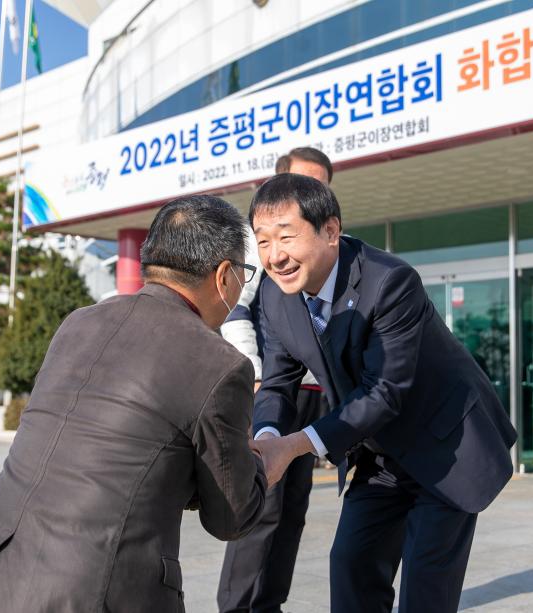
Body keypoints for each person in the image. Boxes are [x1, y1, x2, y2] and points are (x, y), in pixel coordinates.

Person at [0, 195, 267, 613]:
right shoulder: (220, 363)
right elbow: (231, 516)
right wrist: (263, 459)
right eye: (245, 273)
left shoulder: (78, 323)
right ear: (225, 275)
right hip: (83, 595)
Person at [248, 173, 517, 613]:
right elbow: (278, 380)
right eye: (262, 241)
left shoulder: (389, 281)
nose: (275, 256)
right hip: (379, 456)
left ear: (330, 231)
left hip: (445, 446)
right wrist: (265, 441)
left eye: (286, 237)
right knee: (351, 565)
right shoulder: (274, 296)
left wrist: (294, 446)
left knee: (424, 591)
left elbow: (385, 391)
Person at [218, 146, 333, 613]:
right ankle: (236, 606)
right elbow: (233, 308)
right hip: (272, 392)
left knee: (293, 510)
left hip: (315, 395)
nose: (312, 190)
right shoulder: (259, 240)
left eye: (320, 183)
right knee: (262, 507)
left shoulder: (324, 239)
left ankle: (270, 604)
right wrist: (255, 373)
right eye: (304, 179)